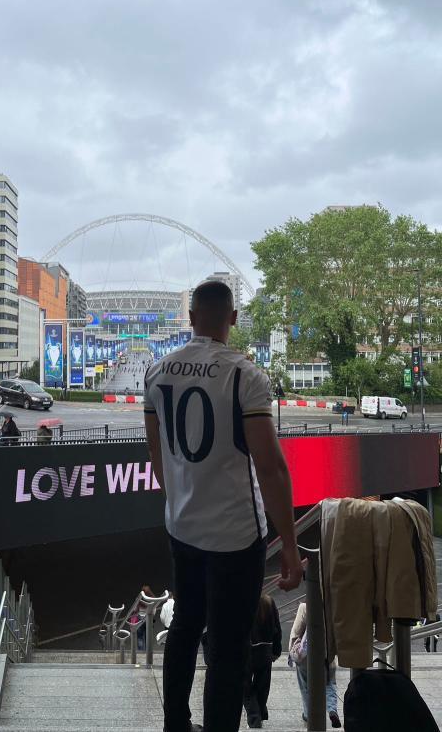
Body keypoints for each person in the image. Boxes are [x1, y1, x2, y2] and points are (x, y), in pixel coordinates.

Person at [144, 280, 302, 732]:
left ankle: (176, 723)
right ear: (232, 318)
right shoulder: (245, 375)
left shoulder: (157, 372)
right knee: (229, 648)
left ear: (191, 317)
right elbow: (270, 468)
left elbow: (156, 454)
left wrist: (179, 502)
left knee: (185, 625)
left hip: (182, 529)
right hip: (236, 538)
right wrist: (290, 546)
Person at [289, 602, 341, 728]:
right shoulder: (333, 607)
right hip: (326, 654)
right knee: (329, 683)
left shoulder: (304, 607)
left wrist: (292, 652)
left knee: (305, 685)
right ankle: (332, 709)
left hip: (306, 655)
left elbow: (296, 631)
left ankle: (308, 714)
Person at [243, 594, 282, 729]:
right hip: (265, 650)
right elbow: (277, 629)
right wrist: (276, 651)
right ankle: (259, 713)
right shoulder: (268, 601)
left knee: (246, 687)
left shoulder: (242, 600)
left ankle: (254, 717)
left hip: (246, 651)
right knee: (262, 685)